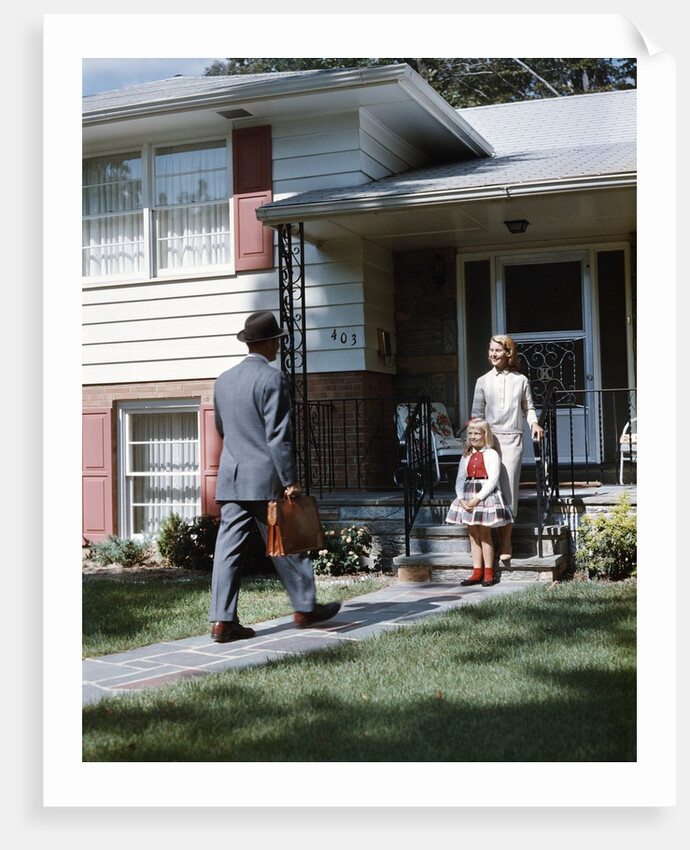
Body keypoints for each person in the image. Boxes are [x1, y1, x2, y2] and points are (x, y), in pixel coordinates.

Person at [209, 310, 341, 642]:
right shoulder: (273, 378)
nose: (279, 348)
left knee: (227, 551)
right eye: (278, 342)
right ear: (268, 343)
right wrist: (290, 480)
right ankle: (305, 608)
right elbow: (279, 435)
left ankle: (222, 622)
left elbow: (222, 429)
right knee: (289, 540)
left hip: (231, 476)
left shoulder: (223, 380)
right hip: (264, 476)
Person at [471, 334, 544, 567]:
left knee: (509, 489)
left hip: (512, 438)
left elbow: (528, 407)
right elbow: (476, 415)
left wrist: (533, 423)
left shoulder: (521, 380)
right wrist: (476, 443)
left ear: (508, 353)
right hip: (489, 441)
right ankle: (488, 541)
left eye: (498, 350)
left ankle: (506, 543)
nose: (493, 354)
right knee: (490, 489)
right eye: (490, 350)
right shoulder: (482, 381)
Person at [445, 419, 513, 587]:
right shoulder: (466, 454)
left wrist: (477, 499)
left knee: (484, 534)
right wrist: (461, 498)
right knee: (472, 535)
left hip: (484, 496)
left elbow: (492, 480)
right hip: (468, 493)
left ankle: (489, 573)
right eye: (470, 434)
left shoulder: (491, 454)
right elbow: (460, 478)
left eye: (477, 433)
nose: (473, 437)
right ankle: (477, 571)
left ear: (485, 435)